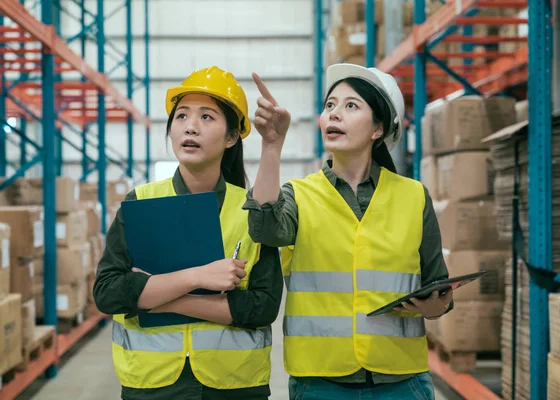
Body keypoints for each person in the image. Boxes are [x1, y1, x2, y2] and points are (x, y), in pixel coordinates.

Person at [244, 63, 454, 400]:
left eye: (350, 105)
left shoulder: (413, 196)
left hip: (401, 381)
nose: (334, 115)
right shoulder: (299, 195)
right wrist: (271, 146)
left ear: (377, 129)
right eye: (330, 106)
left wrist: (436, 307)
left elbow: (437, 283)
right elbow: (264, 228)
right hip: (320, 382)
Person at [93, 66, 283, 400]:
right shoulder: (141, 203)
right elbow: (108, 293)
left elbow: (263, 306)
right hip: (151, 385)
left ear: (231, 136)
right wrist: (200, 276)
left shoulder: (251, 210)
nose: (190, 127)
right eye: (181, 116)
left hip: (234, 386)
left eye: (207, 117)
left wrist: (160, 296)